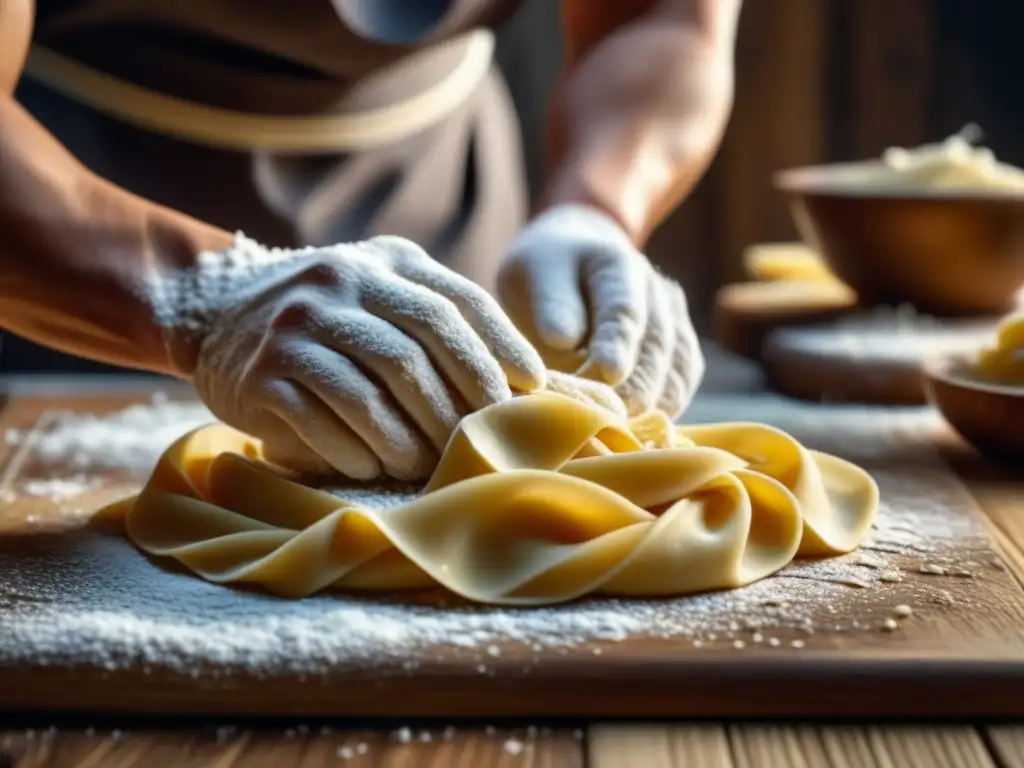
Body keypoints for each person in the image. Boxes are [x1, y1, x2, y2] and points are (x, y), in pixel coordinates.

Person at [0, 0, 741, 480]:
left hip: (446, 196)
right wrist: (194, 298)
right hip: (63, 235)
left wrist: (596, 205)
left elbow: (659, 17)